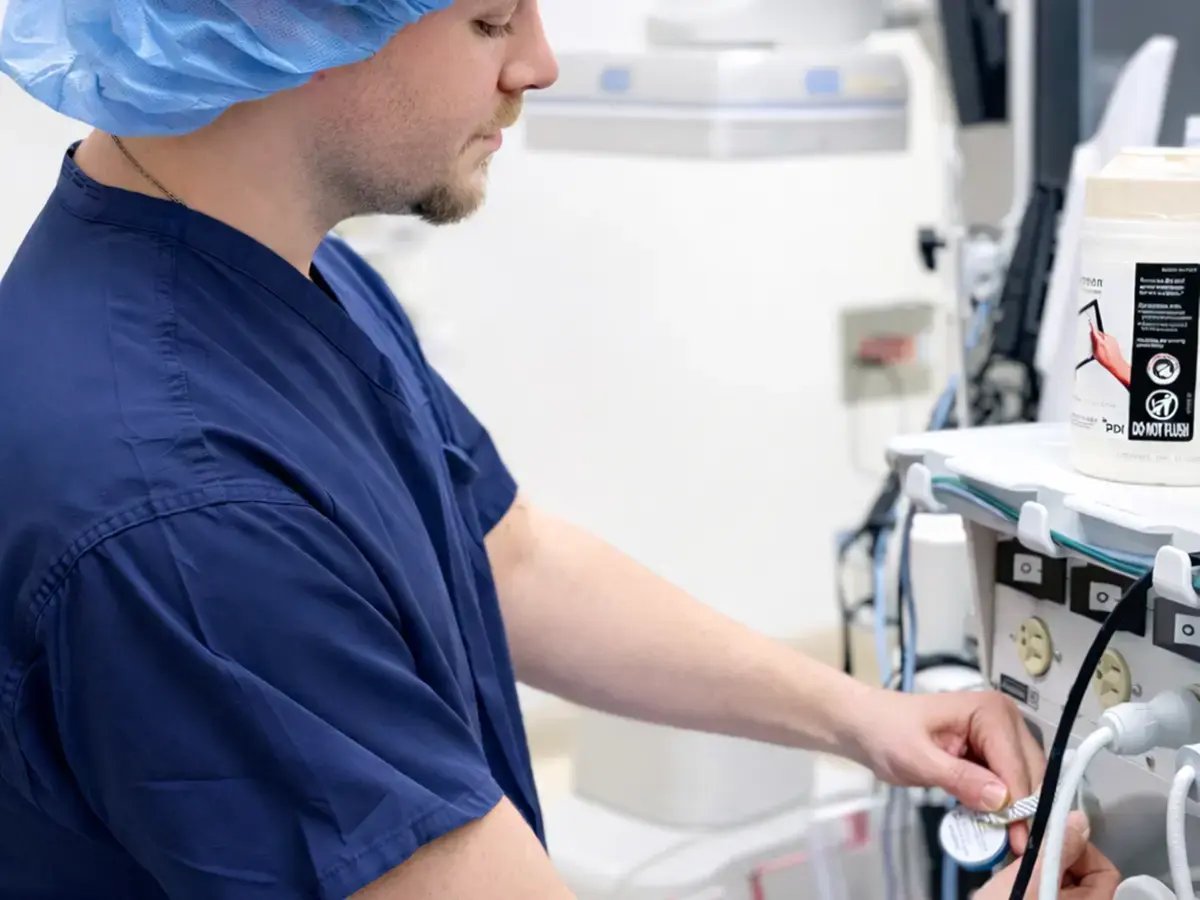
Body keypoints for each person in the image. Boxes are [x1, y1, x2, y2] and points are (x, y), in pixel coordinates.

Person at [0, 1, 1119, 897]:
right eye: (491, 20)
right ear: (288, 25)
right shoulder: (186, 512)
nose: (539, 63)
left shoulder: (274, 267)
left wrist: (860, 718)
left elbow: (504, 555)